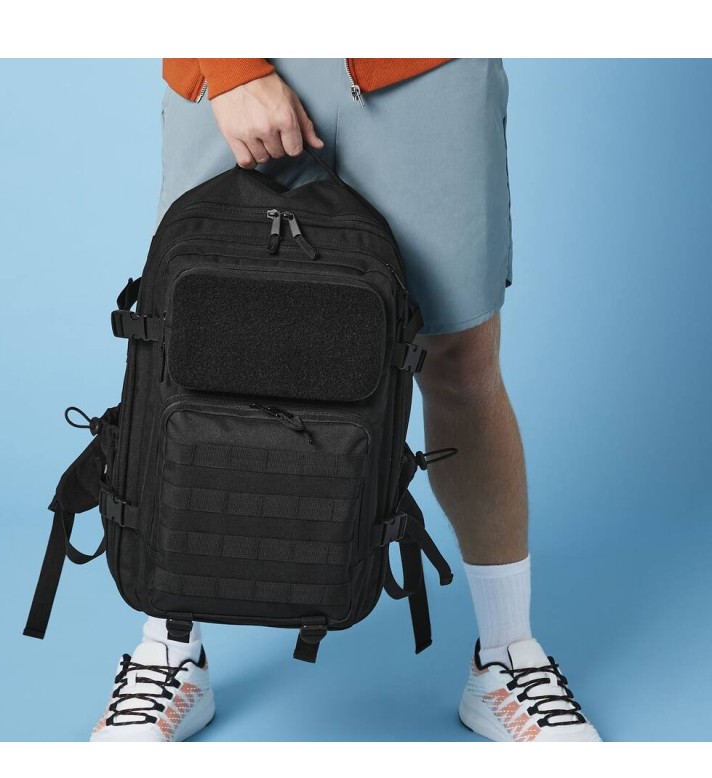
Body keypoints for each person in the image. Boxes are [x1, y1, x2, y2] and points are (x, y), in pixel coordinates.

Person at [89, 58, 601, 743]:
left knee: (460, 363)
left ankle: (507, 655)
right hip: (230, 62)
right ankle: (169, 648)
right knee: (192, 350)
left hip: (424, 70)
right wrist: (231, 65)